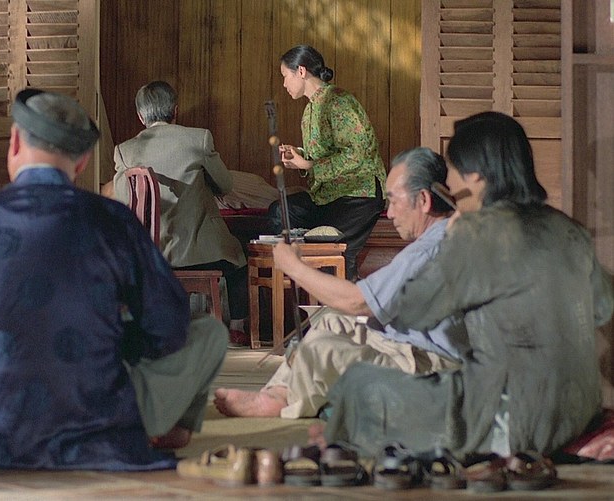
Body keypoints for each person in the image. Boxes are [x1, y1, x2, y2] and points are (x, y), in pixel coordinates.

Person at [0, 89, 228, 471]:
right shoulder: (113, 221)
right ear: (82, 161)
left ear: (15, 142)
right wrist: (113, 339)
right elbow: (168, 326)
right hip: (96, 425)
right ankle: (168, 427)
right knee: (209, 332)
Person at [323, 111, 614, 459]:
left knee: (356, 386)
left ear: (474, 174)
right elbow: (602, 309)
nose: (449, 183)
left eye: (452, 170)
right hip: (580, 412)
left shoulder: (475, 233)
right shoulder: (569, 229)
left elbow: (413, 311)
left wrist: (454, 238)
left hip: (516, 419)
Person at [214, 147, 467, 419]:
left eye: (394, 201)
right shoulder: (440, 237)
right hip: (404, 343)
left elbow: (358, 301)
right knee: (331, 322)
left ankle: (283, 402)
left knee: (325, 349)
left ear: (424, 200)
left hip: (427, 363)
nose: (390, 213)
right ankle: (278, 394)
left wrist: (295, 268)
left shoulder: (432, 248)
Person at [109, 81, 249, 342]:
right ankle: (237, 327)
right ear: (175, 110)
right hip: (202, 254)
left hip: (150, 256)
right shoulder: (199, 139)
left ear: (140, 116)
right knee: (239, 256)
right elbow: (225, 185)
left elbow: (122, 200)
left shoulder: (125, 151)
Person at [269, 44, 387, 281]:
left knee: (332, 257)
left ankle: (348, 296)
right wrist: (299, 155)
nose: (284, 84)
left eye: (285, 76)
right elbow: (323, 155)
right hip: (327, 197)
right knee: (280, 211)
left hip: (357, 196)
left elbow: (356, 153)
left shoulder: (339, 101)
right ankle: (293, 282)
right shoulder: (309, 111)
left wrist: (308, 165)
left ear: (301, 71)